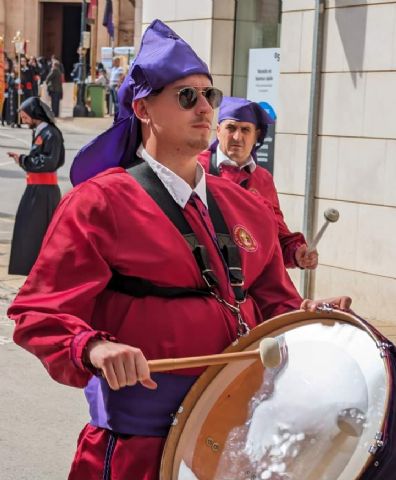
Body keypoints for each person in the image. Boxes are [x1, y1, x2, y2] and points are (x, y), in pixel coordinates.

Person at [8, 20, 351, 479]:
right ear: (144, 108)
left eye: (210, 95)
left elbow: (276, 304)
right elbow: (37, 313)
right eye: (186, 96)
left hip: (238, 437)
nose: (204, 108)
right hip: (141, 444)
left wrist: (311, 316)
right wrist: (92, 348)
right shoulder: (98, 203)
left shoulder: (247, 206)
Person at [199, 96, 318, 270]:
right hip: (206, 274)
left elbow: (275, 233)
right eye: (231, 128)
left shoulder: (263, 179)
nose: (237, 137)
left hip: (250, 279)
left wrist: (296, 252)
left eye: (245, 130)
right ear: (218, 130)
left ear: (257, 135)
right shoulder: (196, 166)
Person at [7, 97, 65, 276]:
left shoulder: (50, 133)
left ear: (34, 114)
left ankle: (41, 270)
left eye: (25, 118)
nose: (24, 122)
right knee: (29, 231)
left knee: (35, 232)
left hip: (43, 190)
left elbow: (50, 161)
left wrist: (24, 160)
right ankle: (35, 270)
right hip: (36, 188)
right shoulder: (42, 132)